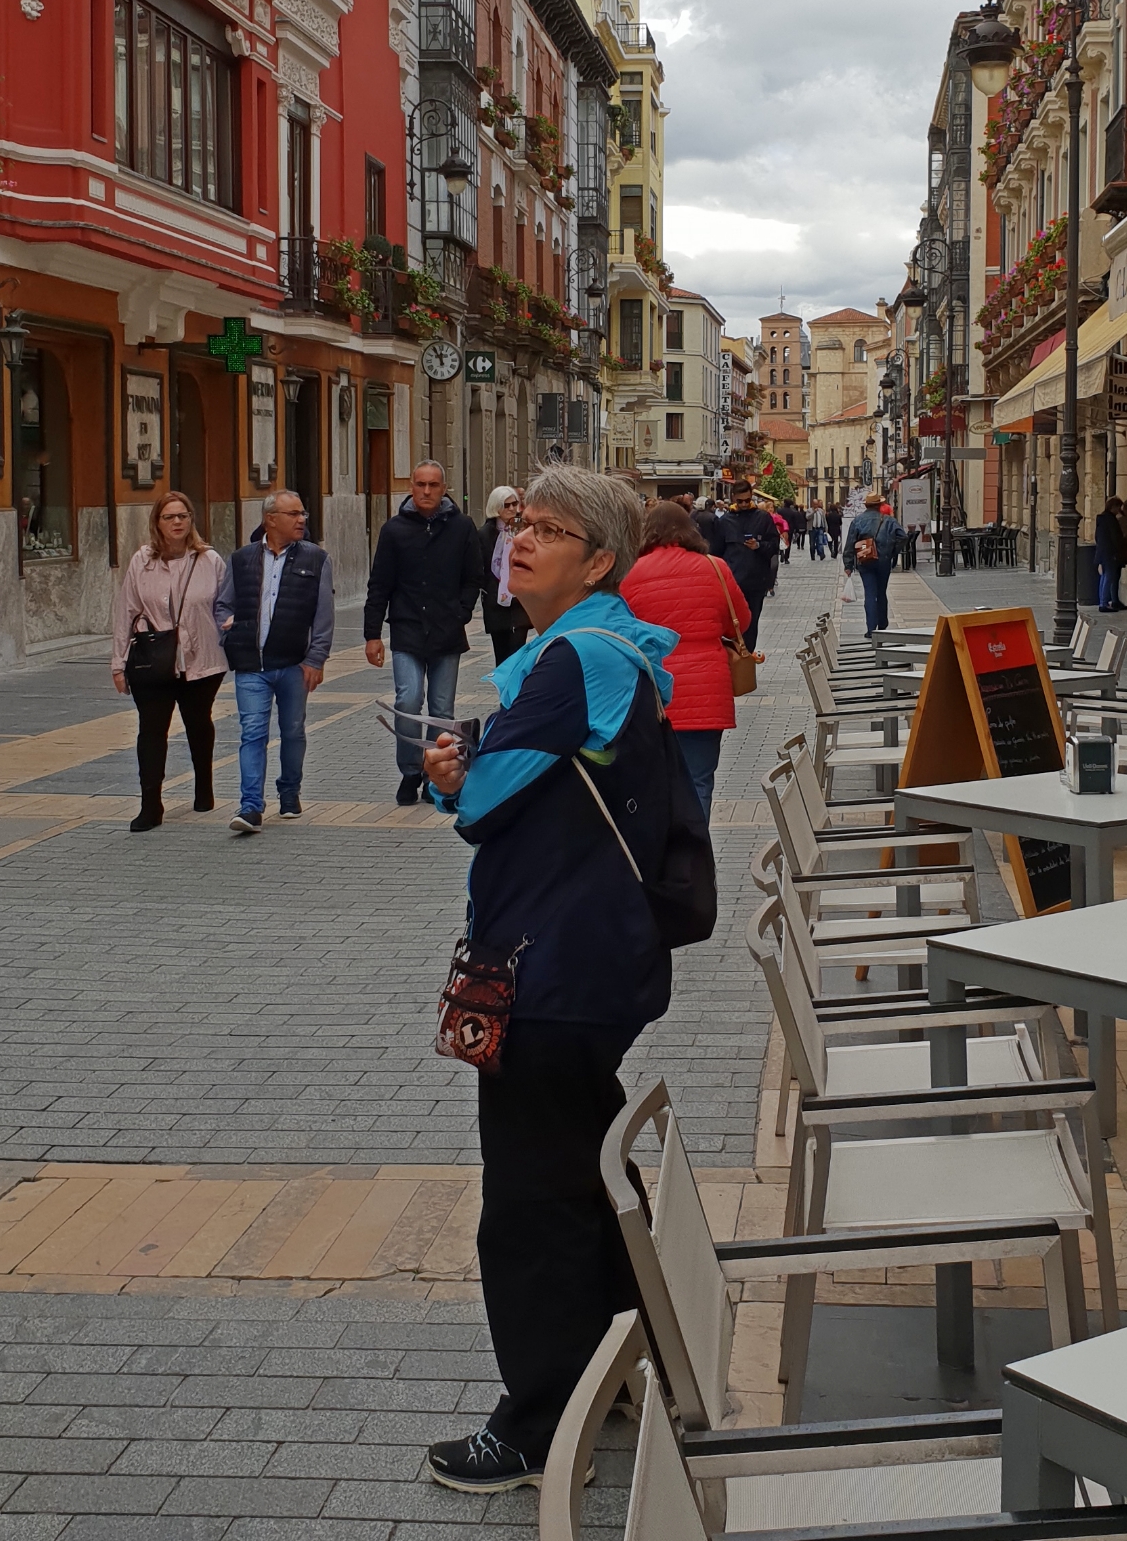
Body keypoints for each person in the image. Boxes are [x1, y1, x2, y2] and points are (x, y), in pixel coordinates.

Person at [418, 467, 686, 1493]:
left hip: (555, 966)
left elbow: (486, 803)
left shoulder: (572, 657)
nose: (521, 539)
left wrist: (463, 777)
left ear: (599, 560)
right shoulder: (583, 651)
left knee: (530, 1204)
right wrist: (473, 774)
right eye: (522, 522)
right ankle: (624, 1368)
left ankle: (534, 1429)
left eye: (552, 529)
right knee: (581, 1178)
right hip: (588, 957)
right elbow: (513, 785)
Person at [622, 500, 753, 817]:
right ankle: (694, 859)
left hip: (651, 692)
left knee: (653, 781)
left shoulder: (630, 574)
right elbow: (741, 620)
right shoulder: (714, 568)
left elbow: (622, 630)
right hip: (706, 692)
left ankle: (659, 857)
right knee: (698, 781)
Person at [364, 460, 484, 806]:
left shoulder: (461, 528)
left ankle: (436, 775)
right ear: (411, 487)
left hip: (447, 631)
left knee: (441, 709)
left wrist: (461, 612)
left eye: (433, 485)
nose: (427, 491)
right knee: (408, 700)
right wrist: (372, 634)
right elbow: (379, 584)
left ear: (444, 488)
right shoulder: (394, 530)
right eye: (420, 485)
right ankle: (409, 771)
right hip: (407, 629)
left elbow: (473, 577)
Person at [214, 489, 334, 833]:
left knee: (293, 730)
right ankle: (251, 806)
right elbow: (223, 604)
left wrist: (316, 658)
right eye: (293, 514)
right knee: (252, 732)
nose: (301, 520)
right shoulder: (241, 559)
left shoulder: (316, 559)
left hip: (295, 663)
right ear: (271, 519)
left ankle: (290, 791)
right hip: (252, 665)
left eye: (302, 514)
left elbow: (323, 615)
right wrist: (228, 633)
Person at [110, 490, 226, 831]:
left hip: (202, 659)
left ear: (191, 520)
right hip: (152, 660)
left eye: (183, 516)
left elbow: (224, 606)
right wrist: (118, 662)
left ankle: (204, 786)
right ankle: (151, 804)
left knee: (198, 722)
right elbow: (126, 611)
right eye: (169, 517)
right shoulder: (141, 561)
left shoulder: (210, 561)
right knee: (151, 730)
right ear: (157, 523)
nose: (177, 522)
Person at [713, 480, 783, 646]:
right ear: (733, 498)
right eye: (740, 501)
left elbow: (774, 545)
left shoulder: (763, 518)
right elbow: (716, 552)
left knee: (751, 624)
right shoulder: (724, 522)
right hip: (732, 582)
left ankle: (747, 660)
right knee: (731, 624)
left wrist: (759, 546)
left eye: (747, 500)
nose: (744, 504)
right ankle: (735, 660)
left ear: (751, 497)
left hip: (755, 581)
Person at [478, 485, 530, 667]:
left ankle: (517, 694)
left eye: (514, 504)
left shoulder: (524, 531)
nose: (511, 509)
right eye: (506, 505)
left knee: (517, 655)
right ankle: (504, 694)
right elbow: (479, 568)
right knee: (501, 659)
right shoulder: (484, 534)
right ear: (496, 508)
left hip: (519, 603)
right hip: (496, 604)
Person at [844, 491, 904, 635]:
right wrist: (892, 552)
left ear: (867, 505)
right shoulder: (889, 520)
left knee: (869, 593)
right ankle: (882, 624)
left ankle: (871, 629)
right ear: (879, 505)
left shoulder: (857, 520)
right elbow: (903, 536)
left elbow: (850, 543)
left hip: (865, 560)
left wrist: (848, 565)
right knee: (881, 592)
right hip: (883, 561)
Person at [1093, 494, 1127, 613]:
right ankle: (1103, 603)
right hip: (1110, 553)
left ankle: (1102, 601)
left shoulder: (1102, 519)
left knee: (1104, 576)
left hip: (1103, 552)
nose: (1118, 510)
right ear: (1112, 507)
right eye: (1117, 507)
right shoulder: (1111, 520)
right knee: (1109, 576)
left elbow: (1097, 537)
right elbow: (1116, 537)